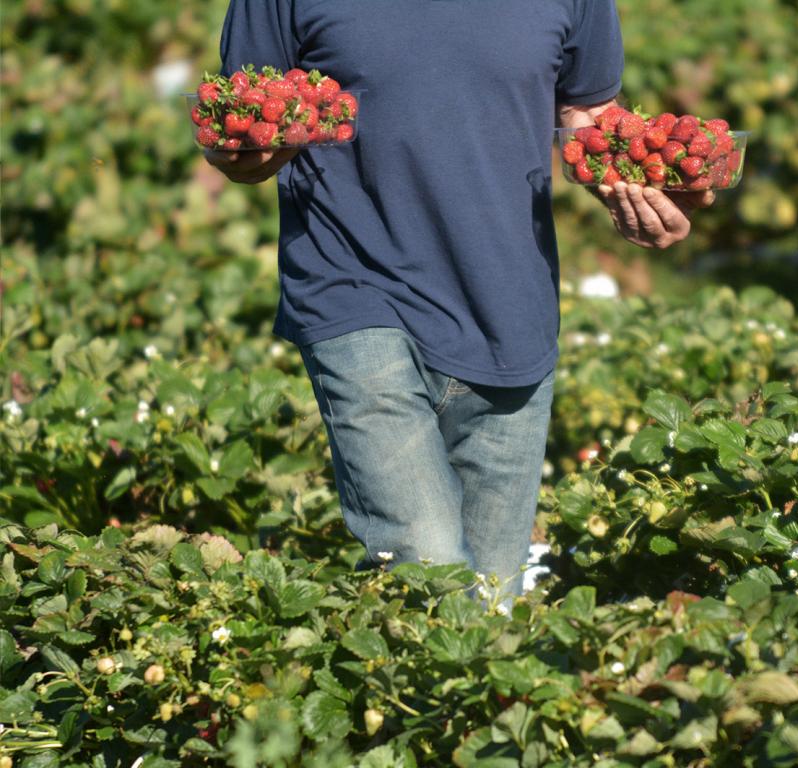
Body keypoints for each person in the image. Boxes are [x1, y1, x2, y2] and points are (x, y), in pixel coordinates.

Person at [205, 0, 713, 609]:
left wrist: (631, 186)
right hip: (354, 288)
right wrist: (249, 149)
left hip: (509, 305)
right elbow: (242, 115)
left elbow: (585, 109)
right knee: (430, 569)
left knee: (492, 605)